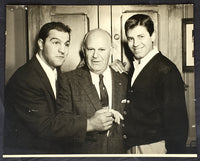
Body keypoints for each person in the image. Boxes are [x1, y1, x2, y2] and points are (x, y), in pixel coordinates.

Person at [111, 14, 188, 154]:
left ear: (152, 36)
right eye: (130, 38)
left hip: (154, 148)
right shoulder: (137, 66)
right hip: (132, 147)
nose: (135, 44)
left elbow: (178, 125)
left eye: (141, 37)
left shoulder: (166, 70)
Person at [4, 22, 73, 154]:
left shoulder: (54, 69)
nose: (62, 50)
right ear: (41, 44)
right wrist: (90, 124)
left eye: (66, 44)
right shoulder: (26, 79)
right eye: (55, 42)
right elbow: (45, 127)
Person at [56, 29, 128, 154]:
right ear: (84, 51)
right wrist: (89, 124)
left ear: (111, 51)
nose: (95, 55)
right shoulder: (68, 80)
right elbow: (62, 124)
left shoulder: (124, 79)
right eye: (90, 49)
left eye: (101, 49)